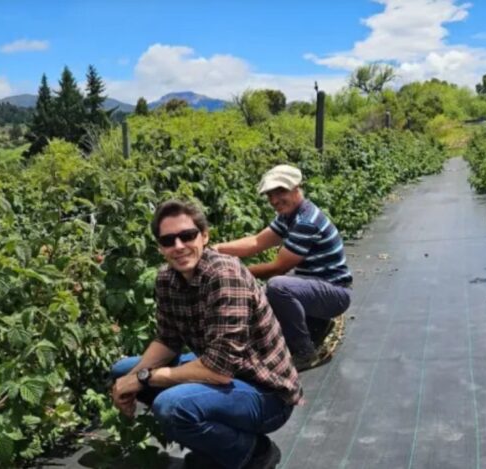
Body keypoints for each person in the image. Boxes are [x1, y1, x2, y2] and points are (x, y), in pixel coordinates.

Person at [110, 199, 302, 469]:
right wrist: (131, 378)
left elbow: (218, 371)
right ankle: (215, 440)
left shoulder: (225, 276)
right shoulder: (167, 279)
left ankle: (253, 451)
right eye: (168, 240)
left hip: (266, 392)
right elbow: (167, 340)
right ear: (160, 247)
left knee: (171, 406)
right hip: (225, 373)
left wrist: (144, 378)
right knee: (122, 371)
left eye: (187, 235)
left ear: (205, 236)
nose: (179, 246)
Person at [213, 164, 352, 371]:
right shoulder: (290, 216)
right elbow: (257, 242)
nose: (274, 200)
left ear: (296, 188)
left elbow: (278, 268)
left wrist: (235, 272)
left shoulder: (306, 222)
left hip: (335, 292)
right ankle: (317, 326)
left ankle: (305, 353)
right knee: (264, 296)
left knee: (277, 287)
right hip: (316, 287)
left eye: (280, 192)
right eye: (270, 195)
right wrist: (216, 249)